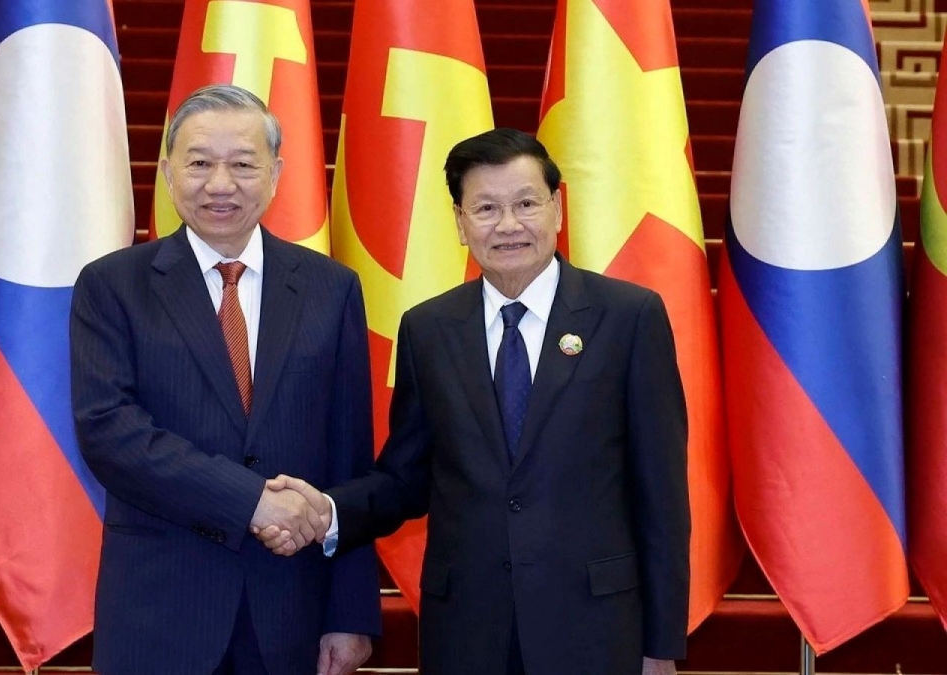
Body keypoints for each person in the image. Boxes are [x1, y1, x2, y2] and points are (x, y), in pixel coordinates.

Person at [261, 128, 690, 675]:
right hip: (467, 630)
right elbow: (406, 478)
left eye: (526, 204)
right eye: (486, 208)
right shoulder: (430, 329)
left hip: (596, 629)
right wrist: (328, 512)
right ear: (461, 223)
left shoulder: (629, 318)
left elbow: (662, 496)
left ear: (557, 208)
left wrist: (660, 644)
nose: (508, 225)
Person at [70, 84, 380, 675]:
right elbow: (110, 434)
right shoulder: (112, 286)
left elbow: (350, 458)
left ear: (276, 173)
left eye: (242, 164)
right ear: (166, 171)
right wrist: (251, 503)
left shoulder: (330, 289)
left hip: (291, 610)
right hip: (160, 612)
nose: (220, 184)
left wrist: (350, 611)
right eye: (199, 163)